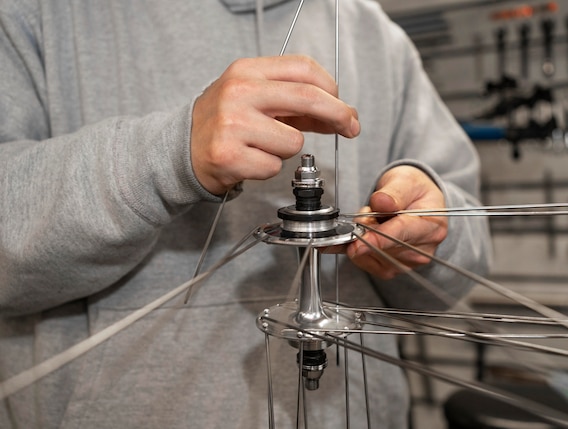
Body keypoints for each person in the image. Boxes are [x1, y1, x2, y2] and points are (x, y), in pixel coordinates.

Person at [0, 0, 490, 427]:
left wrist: (428, 233)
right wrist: (168, 155)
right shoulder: (33, 14)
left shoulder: (376, 34)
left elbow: (463, 259)